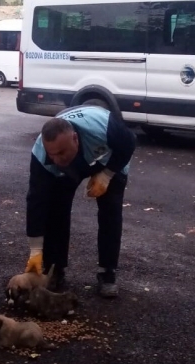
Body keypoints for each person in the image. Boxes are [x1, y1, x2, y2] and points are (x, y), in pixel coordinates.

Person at [24, 104, 136, 298]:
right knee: (56, 210)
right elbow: (36, 201)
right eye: (53, 154)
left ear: (74, 138)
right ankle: (55, 268)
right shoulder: (42, 155)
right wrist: (35, 249)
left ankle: (107, 272)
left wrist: (107, 175)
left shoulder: (104, 127)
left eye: (61, 152)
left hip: (108, 156)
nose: (57, 159)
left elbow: (128, 144)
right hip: (73, 165)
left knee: (111, 209)